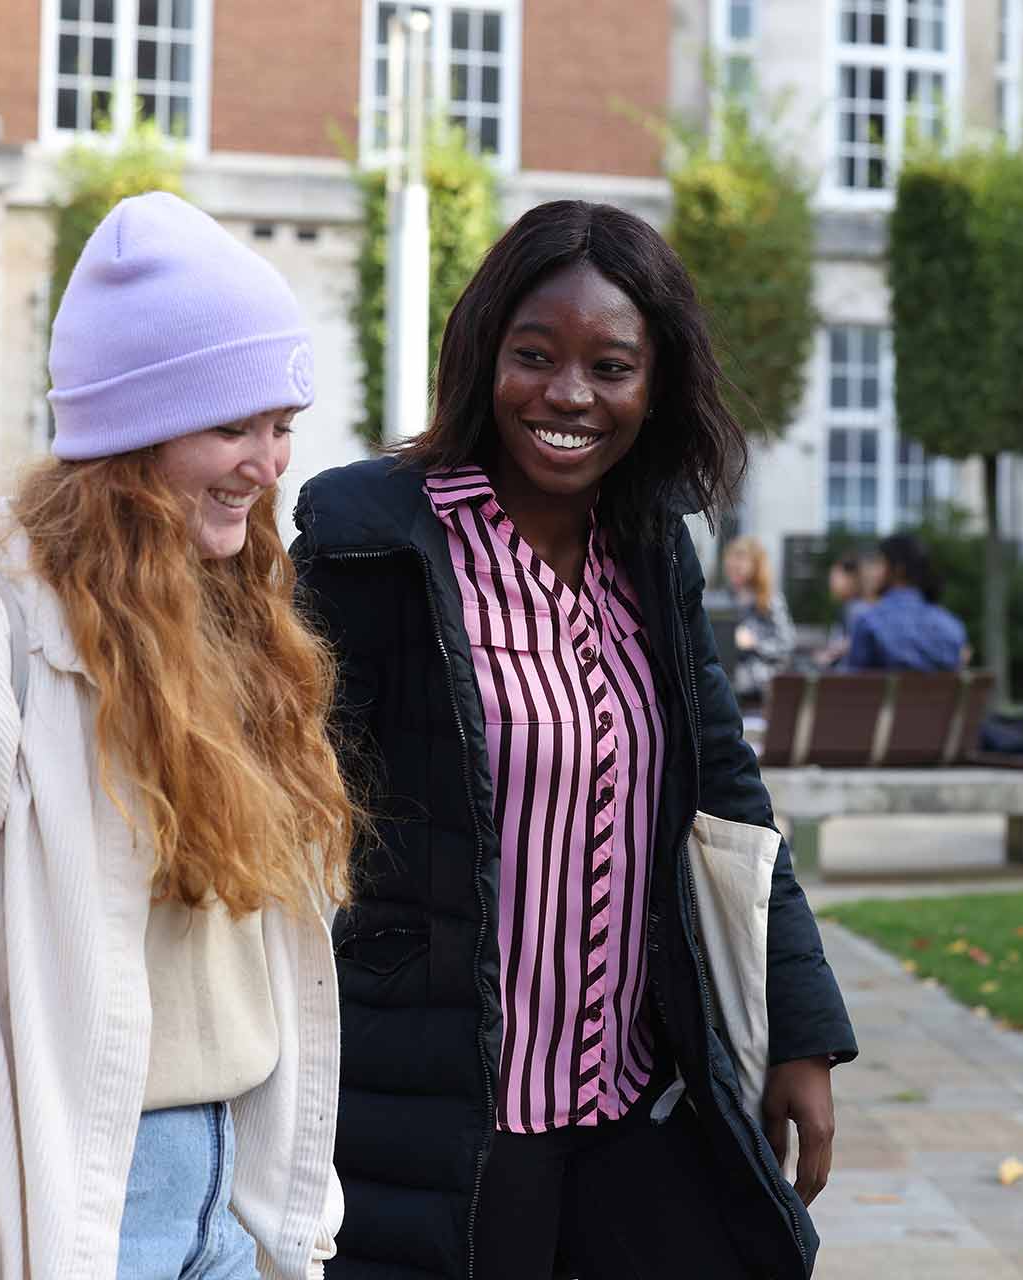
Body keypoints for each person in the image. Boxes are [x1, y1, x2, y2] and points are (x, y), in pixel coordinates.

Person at [291, 200, 857, 1280]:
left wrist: (801, 1029)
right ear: (483, 357)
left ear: (655, 385)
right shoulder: (373, 538)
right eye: (535, 355)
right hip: (444, 1119)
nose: (568, 394)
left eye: (610, 365)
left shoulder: (652, 549)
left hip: (634, 1110)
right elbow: (280, 793)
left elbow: (726, 793)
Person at [0, 192, 352, 1278]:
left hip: (228, 1211)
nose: (271, 463)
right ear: (129, 438)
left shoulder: (231, 618)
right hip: (73, 1213)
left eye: (281, 426)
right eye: (233, 425)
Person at [843, 532, 969, 672]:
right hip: (939, 694)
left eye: (879, 563)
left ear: (898, 569)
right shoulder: (952, 625)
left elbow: (852, 684)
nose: (873, 573)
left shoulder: (869, 623)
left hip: (887, 694)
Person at [720, 534, 795, 704]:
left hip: (758, 686)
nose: (734, 566)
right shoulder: (724, 599)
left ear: (756, 565)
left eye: (740, 562)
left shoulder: (770, 600)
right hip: (728, 681)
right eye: (731, 562)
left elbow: (786, 643)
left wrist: (755, 643)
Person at [811, 550, 874, 668]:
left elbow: (855, 641)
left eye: (834, 578)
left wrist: (830, 654)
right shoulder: (851, 607)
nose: (831, 583)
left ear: (851, 578)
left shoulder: (858, 609)